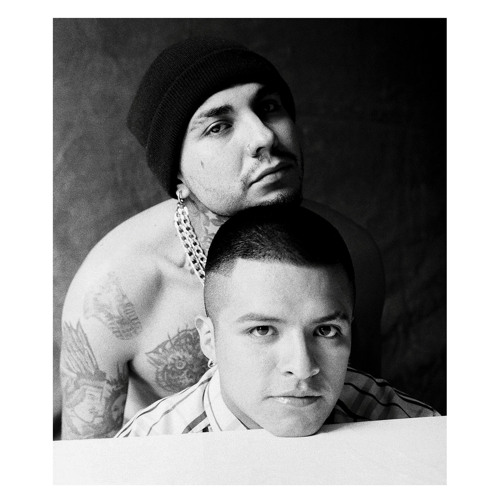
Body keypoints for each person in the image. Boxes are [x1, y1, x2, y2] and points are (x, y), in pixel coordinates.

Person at [60, 37, 384, 439]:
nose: (264, 136)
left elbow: (362, 412)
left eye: (269, 107)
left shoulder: (351, 255)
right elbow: (84, 462)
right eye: (218, 126)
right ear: (176, 176)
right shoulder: (114, 291)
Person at [116, 206, 438, 438]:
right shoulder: (143, 452)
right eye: (262, 330)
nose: (302, 367)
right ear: (210, 340)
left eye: (326, 331)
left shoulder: (410, 431)